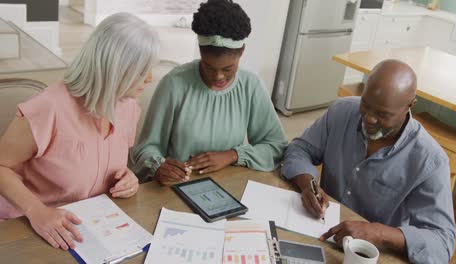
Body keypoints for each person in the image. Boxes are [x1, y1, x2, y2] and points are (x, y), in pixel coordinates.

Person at [0, 13, 159, 250]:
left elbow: (97, 163)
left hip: (91, 226)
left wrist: (128, 178)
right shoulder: (48, 108)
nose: (150, 78)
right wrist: (37, 211)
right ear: (113, 69)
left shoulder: (129, 107)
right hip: (27, 226)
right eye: (141, 71)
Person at [281, 60, 456, 264]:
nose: (369, 119)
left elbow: (442, 243)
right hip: (315, 234)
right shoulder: (341, 112)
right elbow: (300, 149)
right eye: (366, 104)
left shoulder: (430, 161)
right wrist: (307, 184)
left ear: (409, 106)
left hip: (372, 255)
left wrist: (380, 233)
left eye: (383, 114)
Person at [131, 0, 287, 184]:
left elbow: (276, 147)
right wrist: (158, 167)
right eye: (208, 67)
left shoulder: (250, 85)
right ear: (200, 52)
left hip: (228, 184)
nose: (218, 77)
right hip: (177, 187)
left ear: (242, 52)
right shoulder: (174, 84)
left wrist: (233, 155)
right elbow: (146, 148)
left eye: (228, 69)